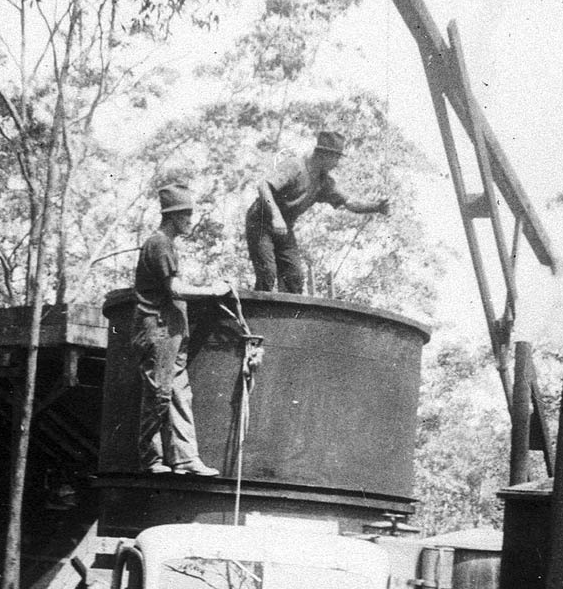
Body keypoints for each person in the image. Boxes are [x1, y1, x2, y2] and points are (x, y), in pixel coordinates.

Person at [133, 182, 229, 476]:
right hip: (158, 329)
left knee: (178, 393)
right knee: (160, 394)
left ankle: (185, 458)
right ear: (173, 216)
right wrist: (212, 290)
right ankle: (150, 458)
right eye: (187, 215)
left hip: (172, 330)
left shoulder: (167, 245)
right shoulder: (159, 244)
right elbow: (174, 289)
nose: (191, 220)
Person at [245, 129, 390, 294]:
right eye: (336, 158)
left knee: (294, 277)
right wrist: (276, 216)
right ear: (324, 155)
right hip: (261, 221)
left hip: (285, 227)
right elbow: (264, 186)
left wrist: (376, 207)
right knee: (267, 273)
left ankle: (288, 310)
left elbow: (349, 202)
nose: (337, 164)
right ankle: (257, 309)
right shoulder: (295, 166)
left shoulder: (324, 182)